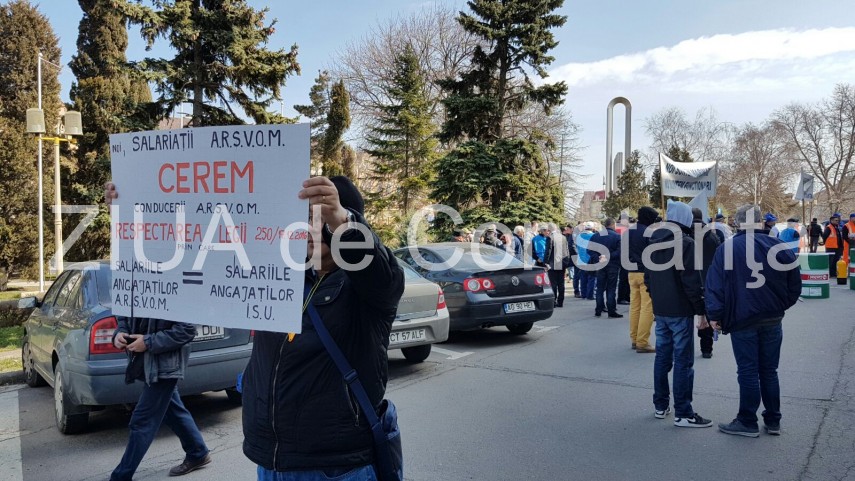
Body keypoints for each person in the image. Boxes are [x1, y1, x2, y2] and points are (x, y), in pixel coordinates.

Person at [105, 184, 212, 481]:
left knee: (142, 420)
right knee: (171, 408)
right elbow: (125, 305)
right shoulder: (137, 266)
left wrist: (148, 343)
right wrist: (122, 332)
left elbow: (186, 330)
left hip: (165, 363)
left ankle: (121, 475)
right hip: (149, 359)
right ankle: (197, 452)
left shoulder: (180, 274)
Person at [706, 205, 801, 437]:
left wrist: (715, 316)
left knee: (748, 371)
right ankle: (773, 419)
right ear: (760, 222)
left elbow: (714, 286)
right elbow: (794, 285)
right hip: (771, 317)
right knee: (769, 370)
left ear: (737, 223)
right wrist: (779, 306)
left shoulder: (727, 248)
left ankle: (747, 420)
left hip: (743, 317)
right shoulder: (778, 247)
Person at [645, 201, 713, 428]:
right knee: (683, 362)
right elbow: (692, 281)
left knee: (662, 358)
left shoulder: (652, 241)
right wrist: (700, 310)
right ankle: (684, 411)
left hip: (661, 309)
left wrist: (657, 300)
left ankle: (660, 405)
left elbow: (648, 279)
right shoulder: (685, 243)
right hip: (679, 310)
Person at [627, 207, 657, 353]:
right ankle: (642, 342)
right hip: (646, 272)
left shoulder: (629, 231)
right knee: (647, 307)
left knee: (635, 306)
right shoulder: (649, 232)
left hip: (631, 272)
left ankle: (634, 339)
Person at [692, 208, 721, 359]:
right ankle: (707, 347)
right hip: (709, 278)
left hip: (689, 279)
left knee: (687, 314)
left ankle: (684, 348)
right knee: (708, 311)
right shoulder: (713, 236)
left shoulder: (684, 235)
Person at [588, 218, 622, 318]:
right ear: (613, 225)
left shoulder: (595, 236)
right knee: (611, 288)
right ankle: (611, 311)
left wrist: (598, 257)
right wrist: (607, 256)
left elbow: (589, 250)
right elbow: (620, 251)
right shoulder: (617, 236)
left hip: (599, 264)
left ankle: (598, 309)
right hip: (613, 265)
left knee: (600, 288)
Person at [545, 223, 570, 307]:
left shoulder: (550, 237)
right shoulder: (563, 237)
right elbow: (566, 250)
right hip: (562, 263)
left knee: (553, 283)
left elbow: (548, 251)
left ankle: (554, 301)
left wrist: (545, 262)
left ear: (549, 229)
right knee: (561, 283)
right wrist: (567, 261)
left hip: (553, 263)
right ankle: (561, 301)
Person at [576, 223, 597, 300]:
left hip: (581, 259)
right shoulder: (593, 236)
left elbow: (577, 247)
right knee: (591, 278)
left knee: (583, 278)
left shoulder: (579, 236)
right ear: (592, 228)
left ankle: (583, 294)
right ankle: (590, 295)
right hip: (590, 259)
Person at [822, 213, 844, 279]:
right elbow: (824, 236)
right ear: (831, 221)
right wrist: (826, 244)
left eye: (837, 220)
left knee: (835, 261)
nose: (837, 221)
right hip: (830, 248)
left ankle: (833, 273)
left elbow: (838, 237)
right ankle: (829, 273)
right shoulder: (829, 228)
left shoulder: (836, 227)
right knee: (830, 262)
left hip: (837, 247)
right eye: (836, 220)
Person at [563, 224, 580, 298]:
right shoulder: (571, 236)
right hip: (574, 257)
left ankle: (577, 291)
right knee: (577, 275)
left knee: (576, 275)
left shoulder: (569, 236)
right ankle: (577, 291)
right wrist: (578, 254)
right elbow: (572, 246)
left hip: (570, 257)